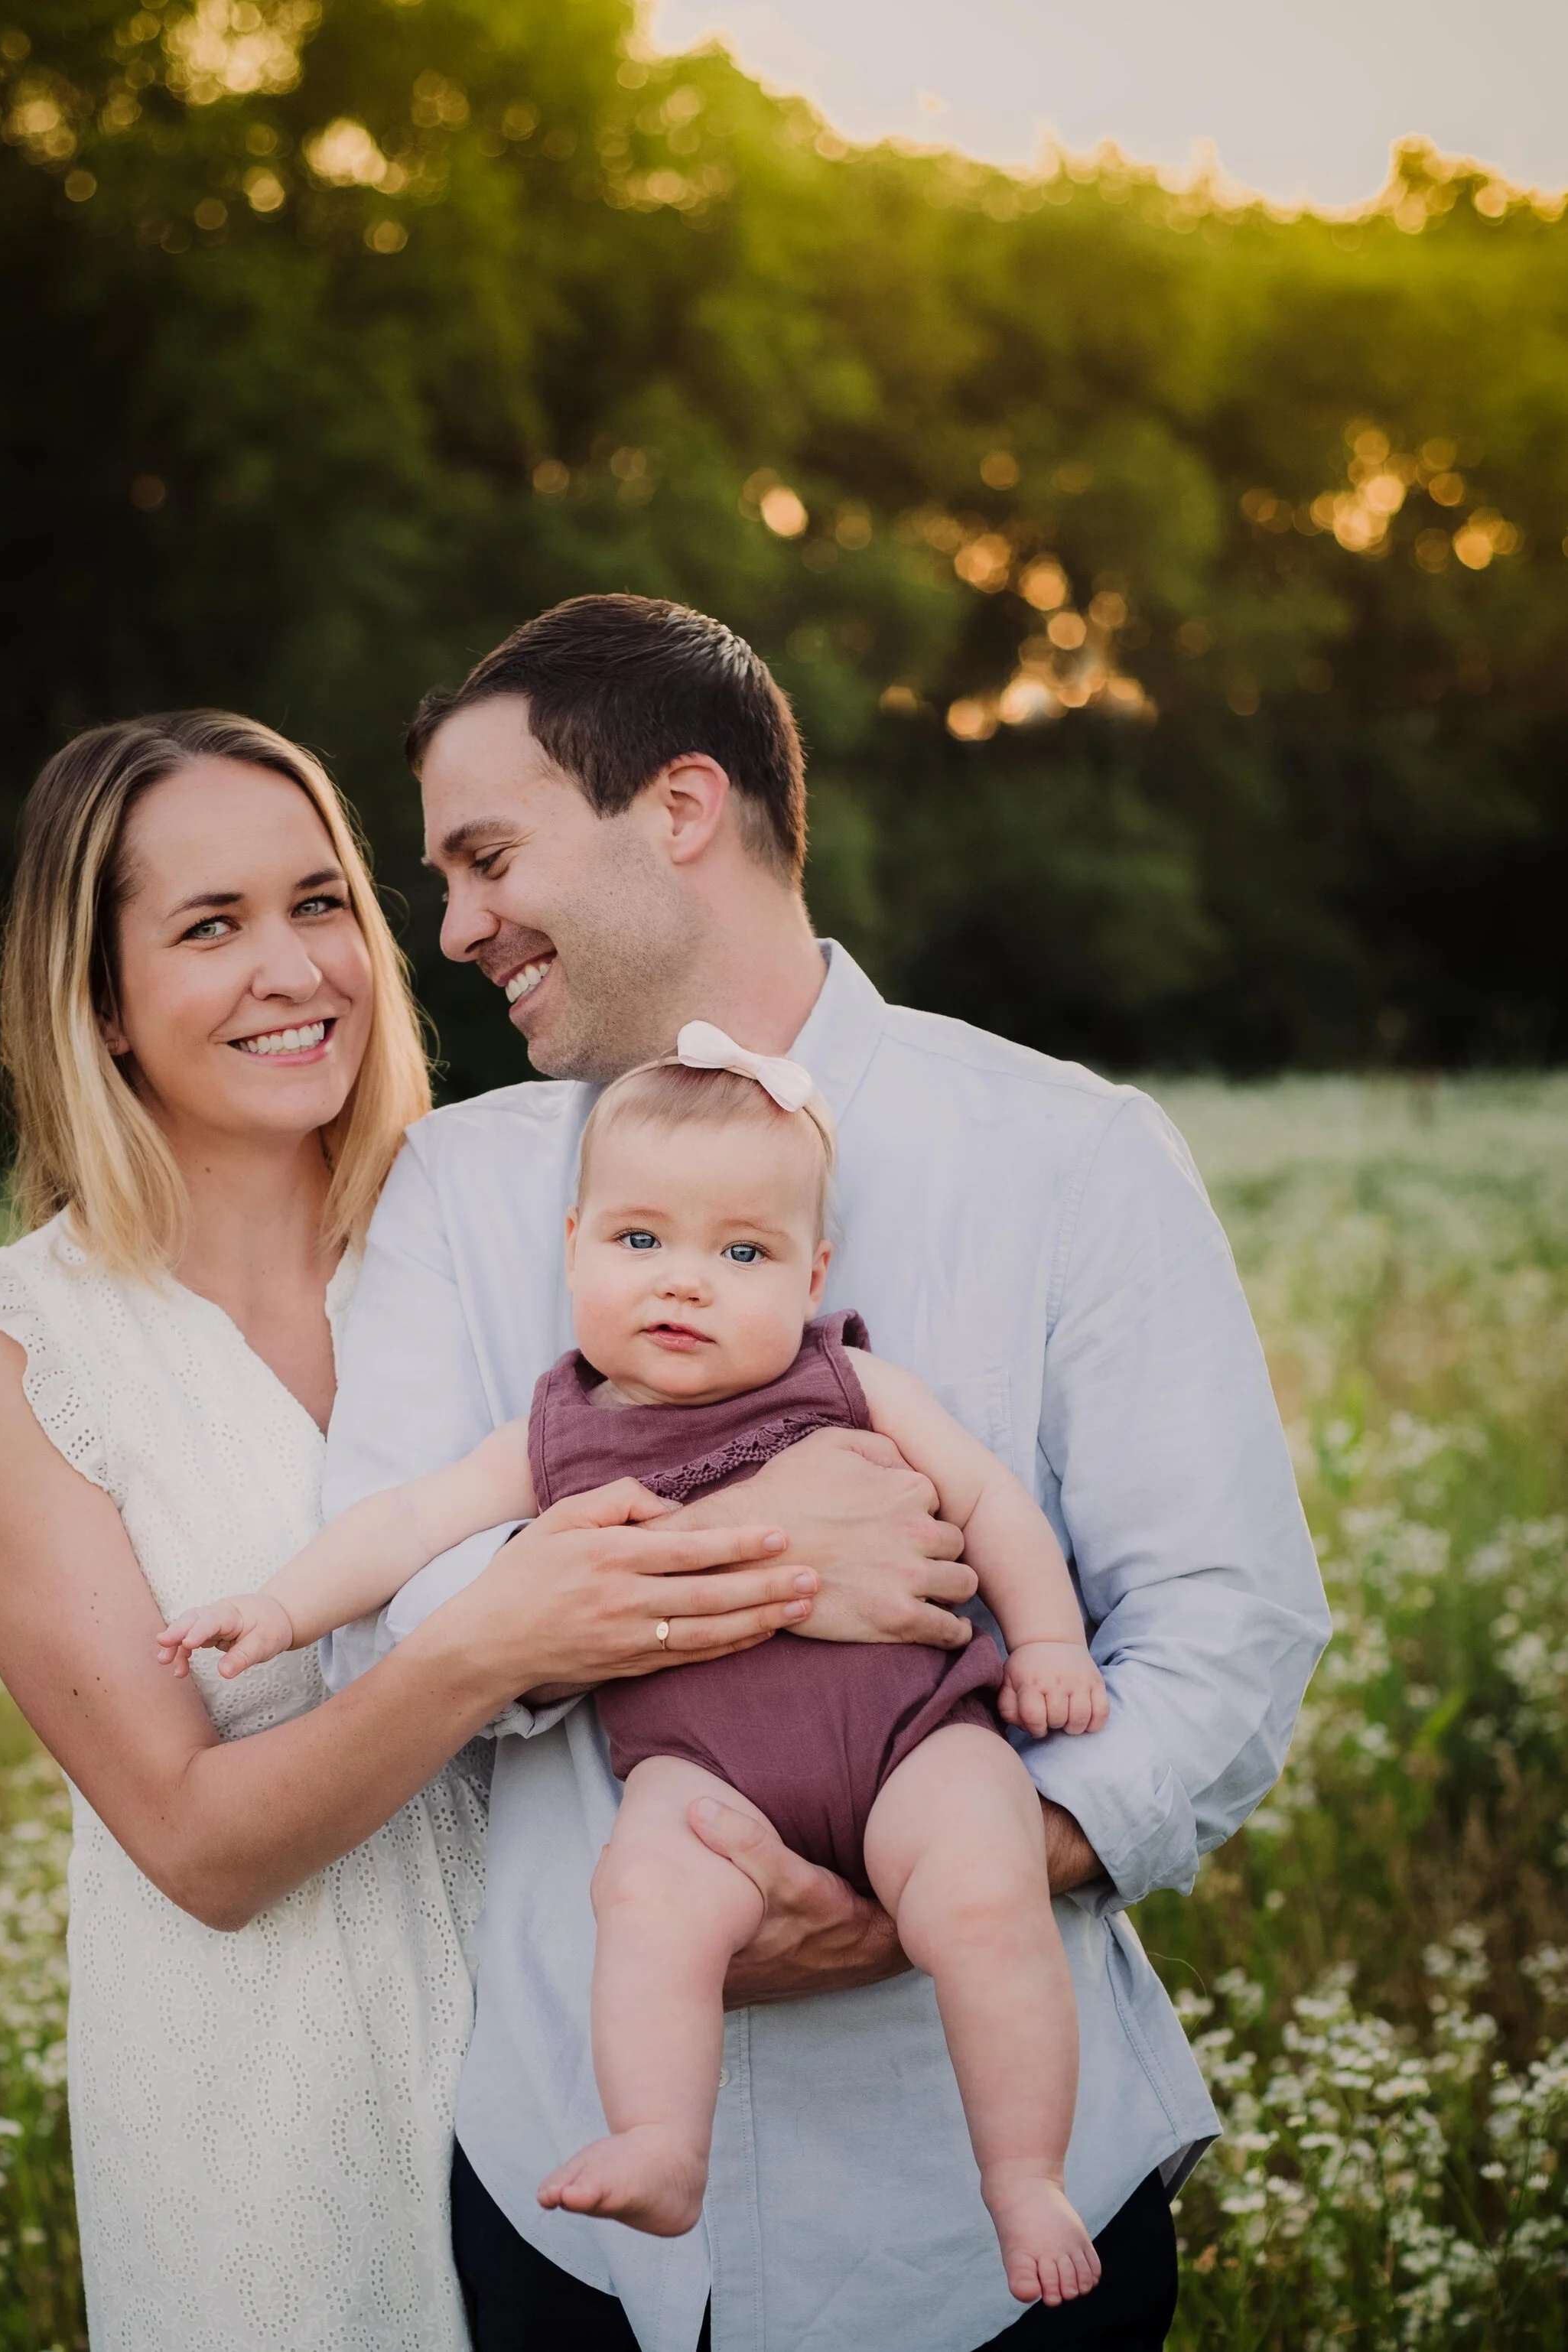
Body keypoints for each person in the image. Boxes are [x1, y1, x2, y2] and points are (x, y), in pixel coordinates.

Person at [321, 597, 1332, 2352]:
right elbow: (380, 1625)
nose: (456, 926)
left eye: (486, 857)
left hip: (984, 2224)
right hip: (571, 2213)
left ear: (682, 807)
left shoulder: (1068, 1152)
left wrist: (946, 1884)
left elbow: (1226, 1623)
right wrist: (756, 1544)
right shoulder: (455, 1192)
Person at [0, 710, 879, 2350]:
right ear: (99, 1001)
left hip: (573, 2053)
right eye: (209, 927)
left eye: (321, 902)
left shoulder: (513, 1224)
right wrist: (498, 1639)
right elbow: (199, 1848)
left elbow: (737, 1442)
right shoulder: (4, 1337)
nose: (295, 969)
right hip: (269, 2093)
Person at [161, 1038, 1108, 2307]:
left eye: (743, 1253)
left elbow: (989, 1500)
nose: (687, 1285)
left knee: (984, 1896)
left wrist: (1046, 1642)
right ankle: (663, 2140)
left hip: (915, 1736)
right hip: (700, 1776)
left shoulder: (847, 1381)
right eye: (640, 1241)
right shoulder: (555, 1430)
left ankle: (1024, 2170)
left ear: (812, 1272)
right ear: (573, 1245)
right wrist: (280, 1606)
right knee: (646, 1900)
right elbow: (404, 1527)